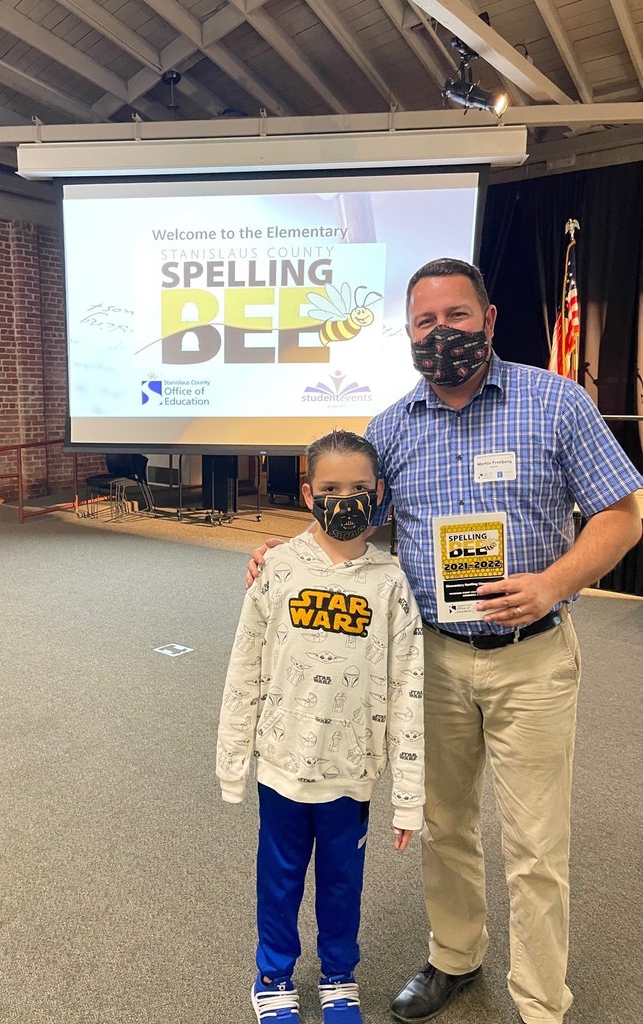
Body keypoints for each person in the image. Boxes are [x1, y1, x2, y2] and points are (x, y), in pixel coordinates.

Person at [247, 258, 643, 1024]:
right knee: (445, 823)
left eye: (457, 317)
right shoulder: (391, 430)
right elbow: (347, 520)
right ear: (409, 335)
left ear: (489, 320)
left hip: (532, 655)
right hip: (429, 657)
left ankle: (538, 1002)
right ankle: (455, 959)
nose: (442, 334)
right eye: (426, 323)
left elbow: (623, 515)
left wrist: (554, 583)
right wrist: (281, 555)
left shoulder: (556, 403)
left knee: (535, 844)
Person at [218, 429, 425, 1024]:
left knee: (342, 884)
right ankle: (272, 977)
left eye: (360, 488)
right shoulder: (277, 569)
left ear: (380, 493)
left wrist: (408, 797)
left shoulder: (389, 581)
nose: (345, 499)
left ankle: (339, 976)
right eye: (331, 488)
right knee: (278, 881)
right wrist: (233, 759)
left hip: (351, 774)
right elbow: (245, 666)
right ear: (308, 493)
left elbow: (409, 689)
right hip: (282, 766)